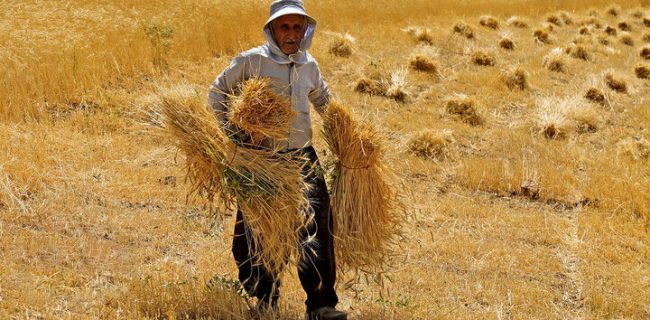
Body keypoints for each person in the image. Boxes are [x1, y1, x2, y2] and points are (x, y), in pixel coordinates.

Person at [207, 1, 347, 319]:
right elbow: (217, 92)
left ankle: (322, 304)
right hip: (262, 159)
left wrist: (347, 136)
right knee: (259, 230)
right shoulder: (252, 61)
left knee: (317, 227)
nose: (291, 34)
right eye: (284, 27)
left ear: (305, 31)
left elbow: (324, 100)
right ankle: (264, 298)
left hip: (302, 158)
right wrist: (235, 134)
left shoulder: (309, 64)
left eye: (298, 27)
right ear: (271, 29)